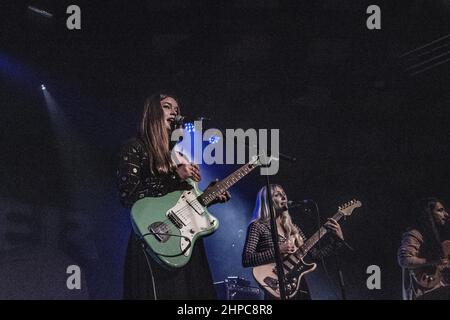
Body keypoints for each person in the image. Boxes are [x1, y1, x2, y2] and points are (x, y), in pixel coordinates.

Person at [117, 93, 230, 299]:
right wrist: (175, 175)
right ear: (152, 112)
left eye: (177, 110)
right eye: (167, 107)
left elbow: (181, 203)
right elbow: (129, 195)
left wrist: (208, 196)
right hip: (156, 240)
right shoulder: (135, 148)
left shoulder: (178, 154)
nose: (175, 113)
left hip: (187, 242)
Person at [242, 184, 344, 300]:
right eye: (277, 195)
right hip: (276, 286)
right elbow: (247, 259)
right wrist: (278, 250)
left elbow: (316, 255)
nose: (283, 196)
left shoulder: (294, 228)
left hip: (299, 286)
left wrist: (337, 240)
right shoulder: (258, 226)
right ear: (267, 202)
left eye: (283, 193)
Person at [397, 197, 450, 300]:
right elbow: (404, 260)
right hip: (421, 295)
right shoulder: (414, 235)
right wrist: (434, 261)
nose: (446, 214)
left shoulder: (435, 238)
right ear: (428, 214)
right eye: (440, 210)